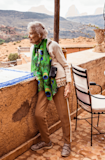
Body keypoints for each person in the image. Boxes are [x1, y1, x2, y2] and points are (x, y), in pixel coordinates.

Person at [28, 21, 72, 157]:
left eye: (32, 34)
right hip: (44, 85)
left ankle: (67, 143)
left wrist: (68, 85)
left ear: (39, 34)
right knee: (39, 114)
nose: (29, 37)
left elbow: (66, 65)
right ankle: (46, 141)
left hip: (58, 83)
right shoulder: (33, 48)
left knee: (63, 115)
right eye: (29, 34)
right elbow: (35, 67)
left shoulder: (53, 46)